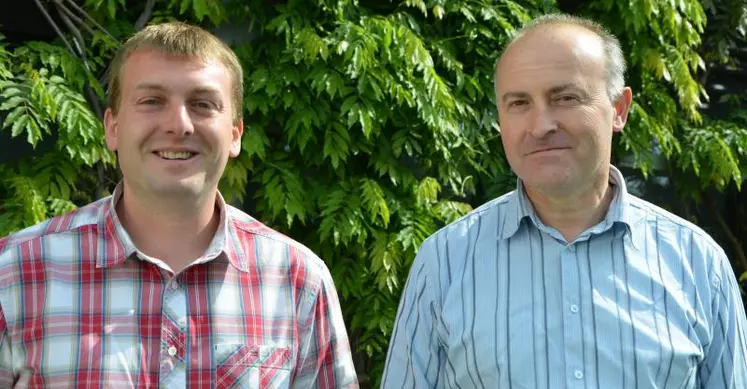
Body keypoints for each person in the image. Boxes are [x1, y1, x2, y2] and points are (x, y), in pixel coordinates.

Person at [381, 13, 747, 389]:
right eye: (519, 103)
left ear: (619, 109)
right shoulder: (444, 264)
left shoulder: (699, 265)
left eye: (566, 97)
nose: (541, 125)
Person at [0, 22, 358, 388]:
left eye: (202, 104)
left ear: (235, 134)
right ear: (113, 127)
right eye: (152, 101)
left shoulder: (298, 280)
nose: (178, 124)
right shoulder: (14, 273)